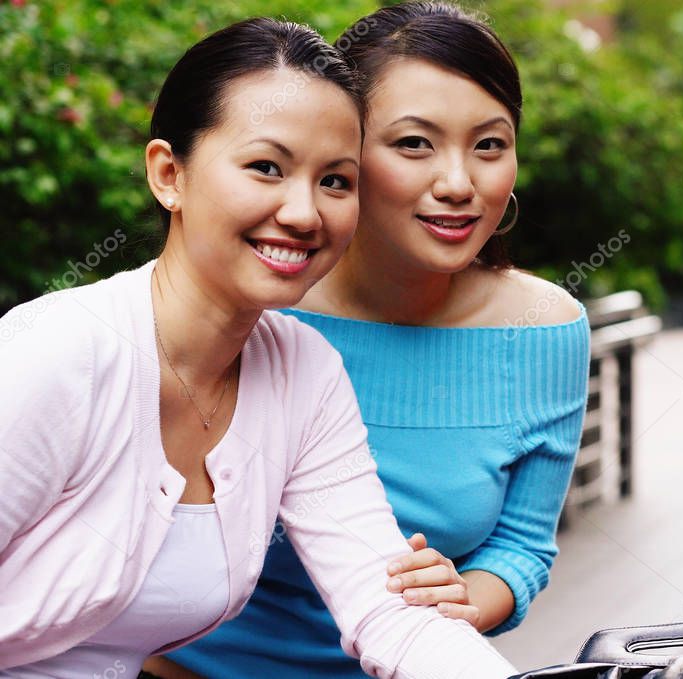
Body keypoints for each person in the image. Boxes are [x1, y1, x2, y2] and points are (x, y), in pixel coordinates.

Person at [0, 16, 516, 679]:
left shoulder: (304, 371)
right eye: (266, 167)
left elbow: (389, 608)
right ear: (169, 174)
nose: (304, 213)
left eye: (336, 181)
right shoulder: (58, 354)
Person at [158, 3, 589, 677]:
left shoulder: (544, 329)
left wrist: (459, 600)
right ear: (344, 152)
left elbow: (522, 545)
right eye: (414, 143)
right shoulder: (258, 305)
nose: (458, 184)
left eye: (489, 145)